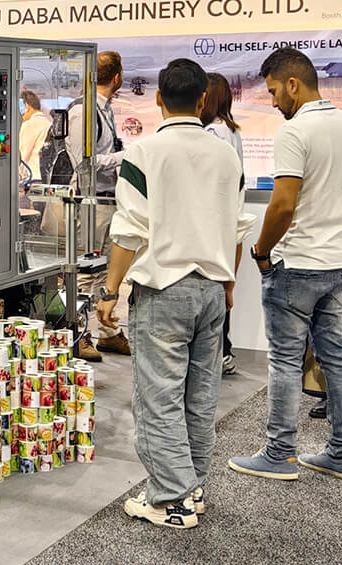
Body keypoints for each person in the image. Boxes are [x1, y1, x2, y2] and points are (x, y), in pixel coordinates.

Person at [99, 58, 242, 530]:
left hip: (163, 290)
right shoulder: (226, 155)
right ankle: (191, 488)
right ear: (202, 100)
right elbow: (237, 227)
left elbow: (129, 229)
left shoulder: (144, 153)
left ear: (159, 99)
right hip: (211, 289)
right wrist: (228, 284)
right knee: (200, 397)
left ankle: (170, 500)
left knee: (158, 397)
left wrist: (109, 290)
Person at [228, 47, 342, 483]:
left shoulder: (294, 132)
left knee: (286, 361)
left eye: (273, 92)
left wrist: (261, 251)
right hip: (337, 262)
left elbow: (283, 204)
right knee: (336, 357)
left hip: (296, 264)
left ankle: (280, 453)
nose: (272, 102)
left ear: (293, 84)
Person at [68, 51, 127, 359]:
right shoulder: (83, 111)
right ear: (117, 77)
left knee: (105, 270)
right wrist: (123, 157)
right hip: (87, 202)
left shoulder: (103, 109)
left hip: (105, 199)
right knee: (83, 271)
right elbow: (83, 163)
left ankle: (108, 333)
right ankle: (78, 334)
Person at [200, 71, 245, 376]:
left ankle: (220, 353)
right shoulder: (231, 130)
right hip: (227, 221)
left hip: (214, 222)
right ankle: (224, 352)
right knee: (222, 287)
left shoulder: (213, 133)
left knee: (216, 291)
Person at [17, 88, 51, 181]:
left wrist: (18, 177)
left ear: (27, 107)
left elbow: (24, 153)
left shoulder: (30, 124)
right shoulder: (48, 123)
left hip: (32, 177)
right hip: (44, 176)